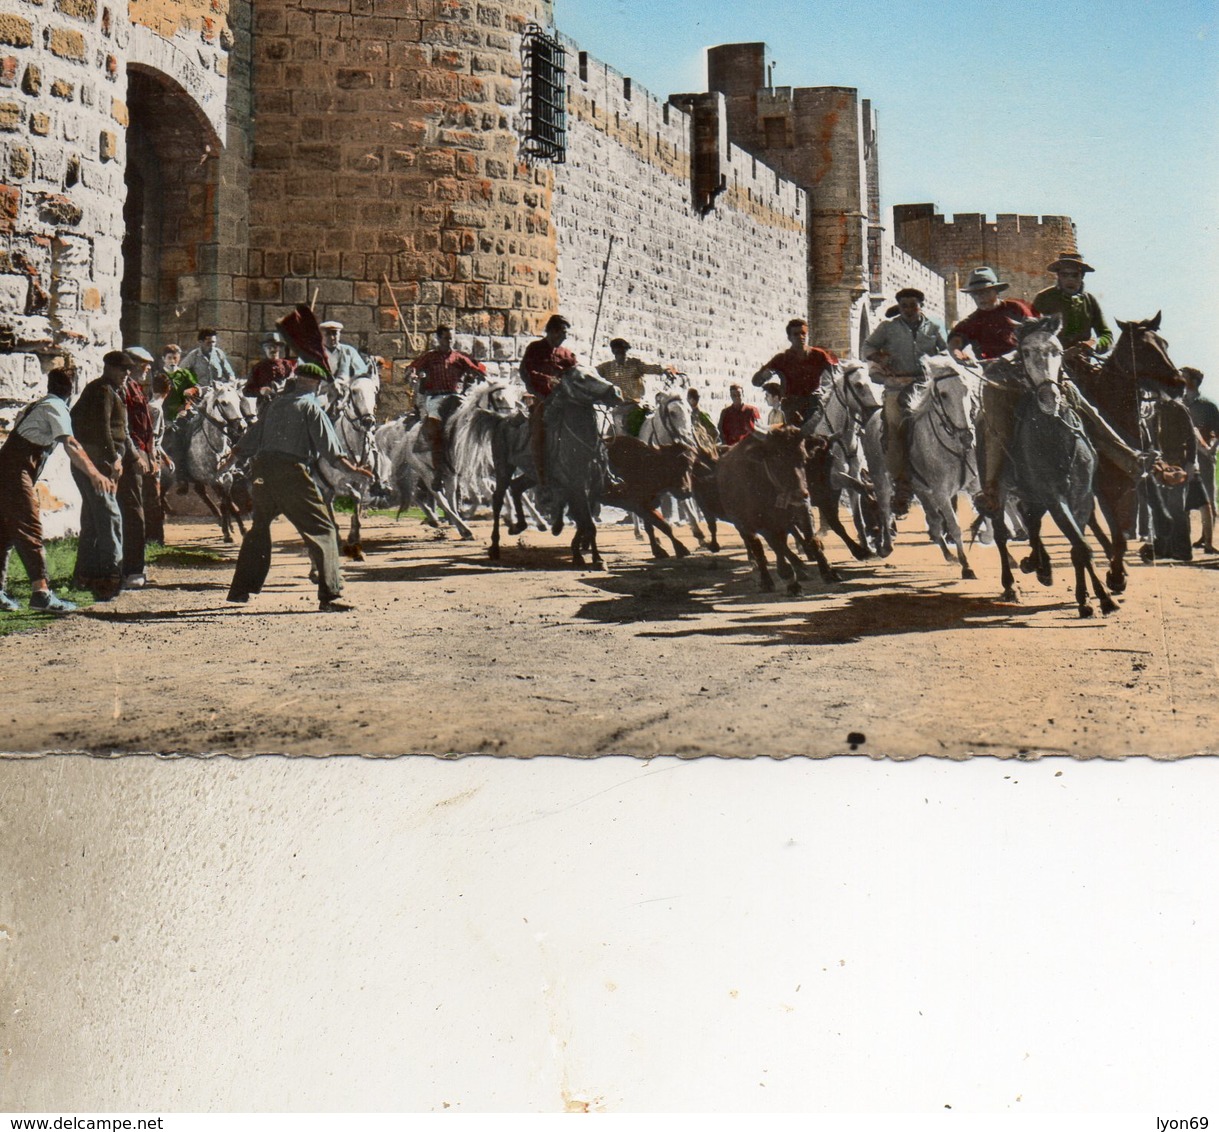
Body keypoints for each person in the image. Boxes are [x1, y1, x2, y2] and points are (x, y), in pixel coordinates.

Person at [226, 363, 373, 613]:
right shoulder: (311, 406)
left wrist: (228, 461)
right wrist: (354, 471)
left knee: (259, 529)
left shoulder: (275, 405)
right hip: (291, 473)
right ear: (316, 384)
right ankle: (331, 595)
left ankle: (241, 590)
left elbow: (250, 439)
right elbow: (331, 451)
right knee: (323, 529)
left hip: (262, 472)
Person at [0, 368, 115, 614]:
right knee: (30, 529)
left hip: (9, 471)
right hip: (13, 473)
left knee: (5, 533)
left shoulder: (36, 405)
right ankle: (41, 594)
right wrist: (94, 473)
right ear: (71, 390)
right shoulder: (56, 407)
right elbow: (71, 444)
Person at [948, 267, 1037, 513]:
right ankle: (991, 487)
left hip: (1029, 374)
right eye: (977, 295)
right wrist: (958, 353)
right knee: (994, 427)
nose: (982, 298)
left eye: (986, 292)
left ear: (996, 291)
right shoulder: (972, 322)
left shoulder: (1016, 309)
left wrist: (1016, 355)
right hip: (997, 381)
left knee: (1068, 403)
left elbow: (1036, 332)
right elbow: (955, 341)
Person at [864, 287, 949, 515]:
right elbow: (867, 347)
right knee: (894, 425)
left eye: (913, 305)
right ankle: (902, 483)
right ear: (899, 307)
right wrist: (879, 356)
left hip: (925, 386)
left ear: (921, 305)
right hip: (897, 387)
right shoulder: (887, 328)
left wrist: (936, 362)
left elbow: (946, 351)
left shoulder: (933, 328)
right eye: (904, 306)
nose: (909, 310)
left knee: (951, 418)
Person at [70, 350, 133, 600]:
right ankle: (110, 578)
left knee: (93, 520)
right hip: (99, 462)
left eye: (128, 370)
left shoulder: (106, 390)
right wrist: (113, 458)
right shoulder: (103, 390)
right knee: (109, 518)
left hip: (96, 461)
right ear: (108, 368)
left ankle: (84, 576)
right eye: (121, 370)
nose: (126, 374)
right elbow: (102, 428)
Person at [406, 326, 487, 490]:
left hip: (455, 398)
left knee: (471, 422)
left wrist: (480, 373)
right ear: (438, 339)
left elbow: (476, 369)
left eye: (451, 339)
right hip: (435, 399)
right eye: (446, 339)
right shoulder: (430, 357)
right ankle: (438, 472)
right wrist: (413, 374)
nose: (449, 342)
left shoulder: (458, 357)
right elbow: (412, 367)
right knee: (437, 431)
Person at [520, 314, 577, 483]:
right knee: (539, 432)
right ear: (551, 331)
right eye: (562, 332)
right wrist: (547, 382)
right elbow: (527, 372)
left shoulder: (566, 354)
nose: (564, 337)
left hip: (565, 401)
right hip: (541, 399)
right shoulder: (535, 348)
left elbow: (575, 373)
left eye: (566, 333)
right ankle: (541, 476)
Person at [751, 318, 837, 426]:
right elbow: (755, 381)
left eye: (803, 333)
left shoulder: (819, 355)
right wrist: (763, 376)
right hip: (793, 407)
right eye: (796, 334)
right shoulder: (782, 359)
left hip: (815, 404)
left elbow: (837, 373)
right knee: (795, 437)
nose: (801, 337)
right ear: (789, 337)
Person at [118, 346, 157, 588]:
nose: (148, 368)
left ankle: (134, 567)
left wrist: (151, 454)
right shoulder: (124, 389)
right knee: (133, 513)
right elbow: (125, 428)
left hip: (141, 453)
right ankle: (132, 570)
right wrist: (137, 456)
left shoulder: (136, 388)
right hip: (130, 456)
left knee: (141, 510)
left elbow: (147, 427)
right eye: (143, 364)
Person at [1032, 253, 1113, 354]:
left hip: (1083, 362)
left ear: (1082, 276)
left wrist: (1095, 344)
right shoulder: (1044, 298)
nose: (1070, 279)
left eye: (1075, 275)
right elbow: (1030, 334)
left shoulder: (1090, 300)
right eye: (1064, 275)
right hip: (1050, 362)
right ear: (1058, 276)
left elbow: (1106, 335)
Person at [596, 337, 677, 435]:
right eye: (618, 353)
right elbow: (592, 373)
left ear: (626, 351)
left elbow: (650, 368)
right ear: (614, 353)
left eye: (623, 353)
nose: (621, 356)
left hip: (635, 405)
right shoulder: (607, 367)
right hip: (619, 407)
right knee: (616, 431)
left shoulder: (635, 364)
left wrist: (665, 370)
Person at [1182, 367, 1219, 553]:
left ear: (1195, 381)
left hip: (1203, 460)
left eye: (1185, 376)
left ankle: (1207, 541)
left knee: (1208, 501)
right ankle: (1185, 541)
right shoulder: (1179, 402)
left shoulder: (1208, 405)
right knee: (1183, 500)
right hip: (1183, 459)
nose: (1181, 378)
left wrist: (1211, 451)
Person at [145, 372, 174, 545]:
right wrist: (154, 461)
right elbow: (152, 439)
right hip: (151, 458)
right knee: (154, 499)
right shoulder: (156, 409)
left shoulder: (149, 405)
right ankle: (155, 539)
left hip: (153, 455)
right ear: (168, 391)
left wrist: (166, 458)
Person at [245, 331, 296, 400]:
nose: (272, 349)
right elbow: (246, 391)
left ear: (279, 348)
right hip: (266, 403)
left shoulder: (287, 364)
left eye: (275, 346)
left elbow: (295, 384)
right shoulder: (258, 367)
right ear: (264, 349)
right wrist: (260, 391)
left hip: (285, 402)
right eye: (268, 347)